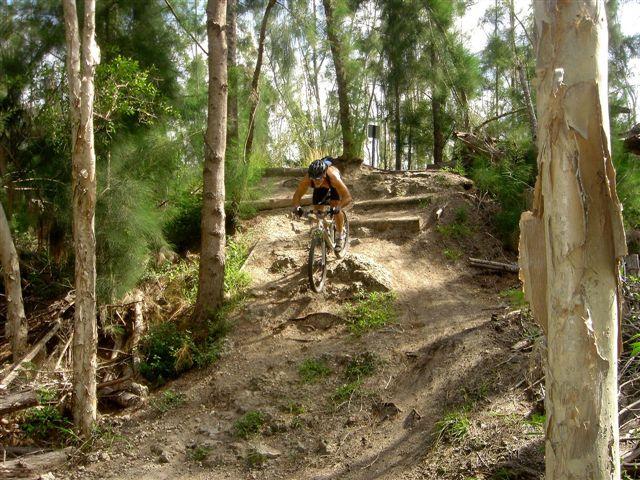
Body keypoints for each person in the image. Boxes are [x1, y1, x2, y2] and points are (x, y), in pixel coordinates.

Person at [292, 156, 353, 252]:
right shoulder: (307, 179)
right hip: (321, 188)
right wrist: (297, 207)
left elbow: (348, 197)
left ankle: (339, 236)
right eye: (314, 179)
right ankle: (325, 233)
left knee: (335, 206)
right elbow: (297, 196)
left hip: (332, 186)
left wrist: (339, 207)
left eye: (318, 179)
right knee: (318, 210)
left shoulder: (333, 177)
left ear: (324, 174)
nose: (316, 181)